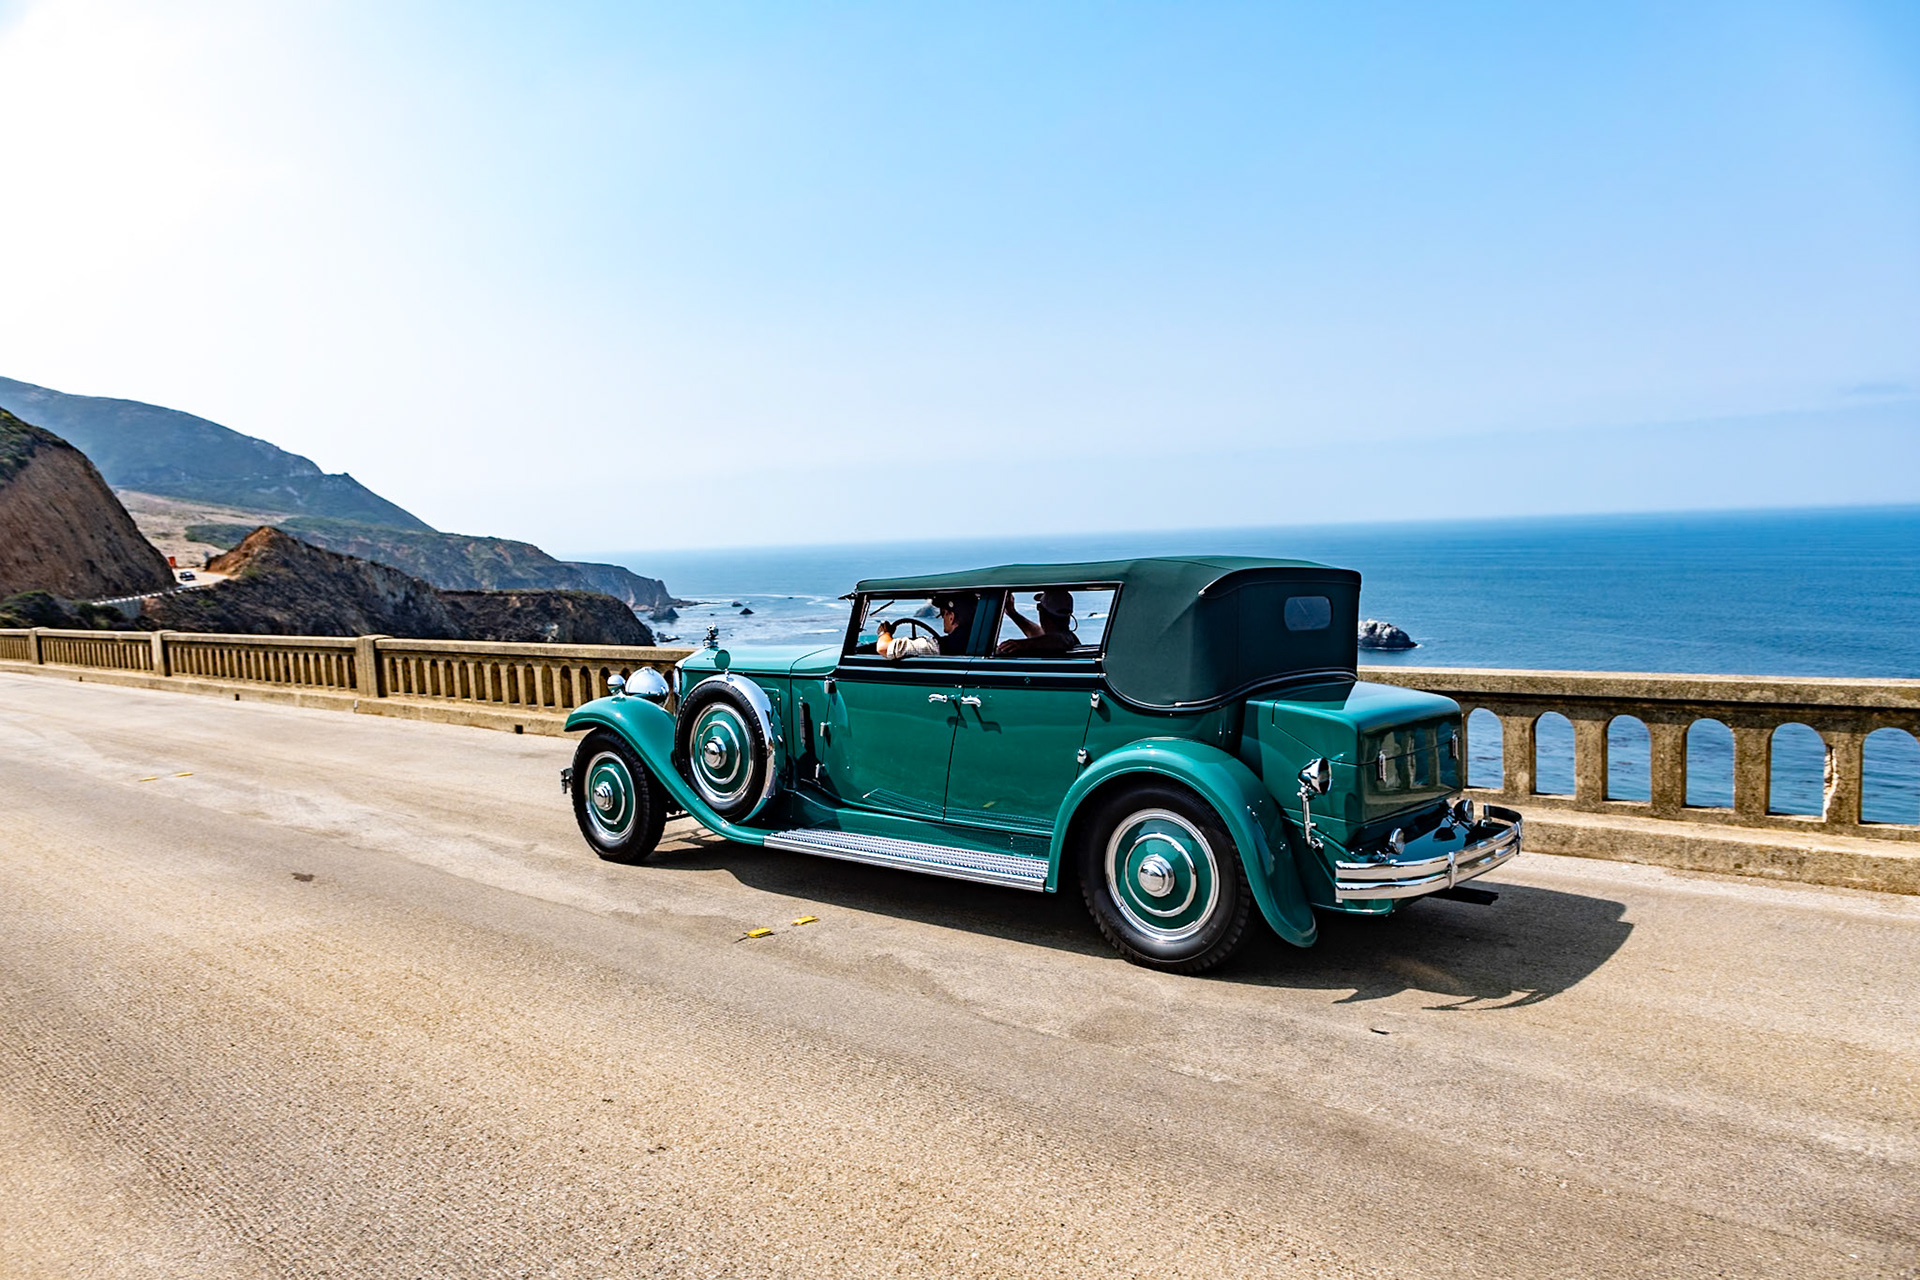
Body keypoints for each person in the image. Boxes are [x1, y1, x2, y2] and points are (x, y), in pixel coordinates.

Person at [878, 594, 976, 659]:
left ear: (951, 617)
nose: (942, 618)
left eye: (942, 614)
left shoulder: (941, 646)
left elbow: (884, 648)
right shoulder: (975, 641)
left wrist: (884, 633)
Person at [995, 588, 1076, 657]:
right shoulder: (1057, 640)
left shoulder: (1064, 640)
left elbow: (1060, 640)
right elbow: (1040, 636)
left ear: (1041, 611)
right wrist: (1012, 613)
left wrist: (1023, 645)